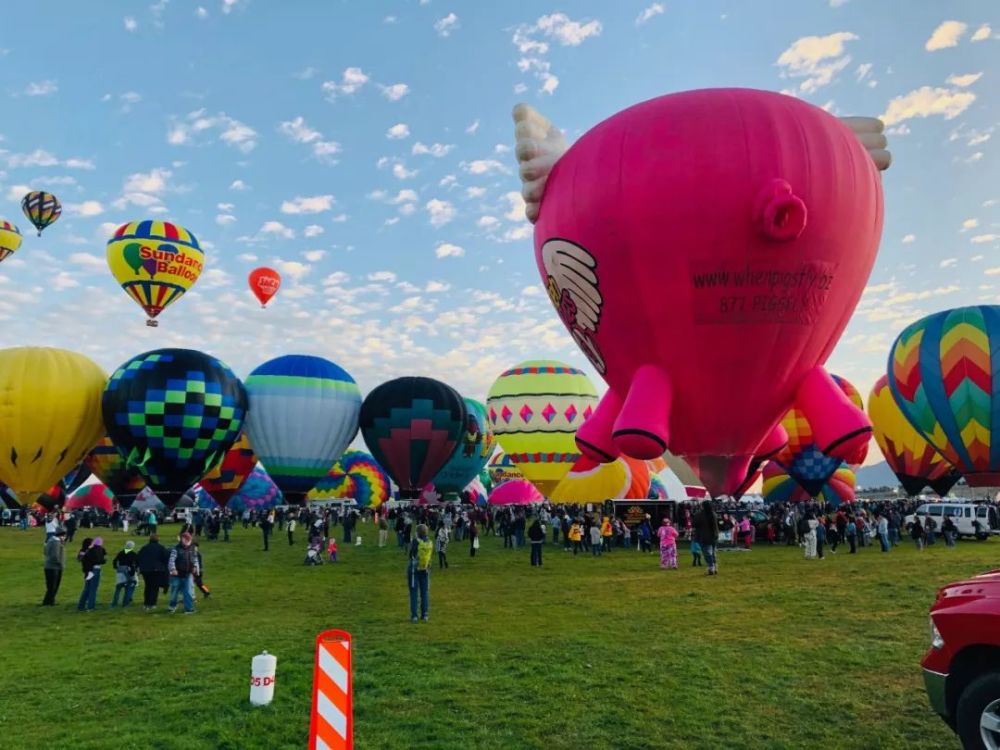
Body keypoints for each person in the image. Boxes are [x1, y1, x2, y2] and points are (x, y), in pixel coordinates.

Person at [168, 531, 199, 614]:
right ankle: (172, 607)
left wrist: (195, 567)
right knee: (174, 592)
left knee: (188, 592)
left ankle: (189, 609)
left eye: (189, 540)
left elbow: (195, 559)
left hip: (188, 574)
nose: (187, 542)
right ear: (182, 539)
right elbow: (171, 561)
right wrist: (173, 569)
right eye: (186, 540)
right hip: (177, 574)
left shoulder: (193, 548)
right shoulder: (176, 549)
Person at [137, 534, 170, 610]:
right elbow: (166, 558)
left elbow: (138, 557)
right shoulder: (161, 548)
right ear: (158, 540)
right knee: (155, 587)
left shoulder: (144, 548)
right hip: (157, 570)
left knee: (148, 586)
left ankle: (146, 603)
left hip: (145, 570)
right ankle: (152, 603)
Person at [407, 524, 432, 623]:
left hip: (414, 569)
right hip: (425, 568)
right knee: (424, 592)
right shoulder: (429, 542)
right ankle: (425, 614)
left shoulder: (415, 541)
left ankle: (414, 616)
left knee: (414, 593)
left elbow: (411, 554)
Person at [77, 537, 106, 611]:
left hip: (87, 571)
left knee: (87, 588)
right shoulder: (93, 550)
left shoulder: (83, 550)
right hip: (94, 569)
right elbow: (99, 560)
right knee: (93, 589)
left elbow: (79, 558)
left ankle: (81, 605)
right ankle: (90, 606)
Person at [693, 500, 719, 575]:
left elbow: (694, 524)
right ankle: (715, 567)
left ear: (702, 506)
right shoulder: (713, 514)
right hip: (714, 536)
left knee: (707, 553)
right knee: (713, 553)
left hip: (704, 537)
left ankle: (711, 568)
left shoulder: (699, 514)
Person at [110, 540, 139, 607]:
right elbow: (136, 564)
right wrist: (134, 572)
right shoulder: (133, 554)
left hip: (120, 572)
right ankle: (125, 603)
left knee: (118, 588)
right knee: (128, 588)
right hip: (128, 572)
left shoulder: (121, 553)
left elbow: (115, 561)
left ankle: (114, 604)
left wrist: (116, 567)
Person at [42, 528, 67, 606]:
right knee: (54, 586)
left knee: (51, 586)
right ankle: (49, 602)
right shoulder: (56, 542)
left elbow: (45, 552)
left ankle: (49, 601)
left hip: (49, 566)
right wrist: (60, 564)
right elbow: (55, 556)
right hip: (54, 567)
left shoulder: (50, 540)